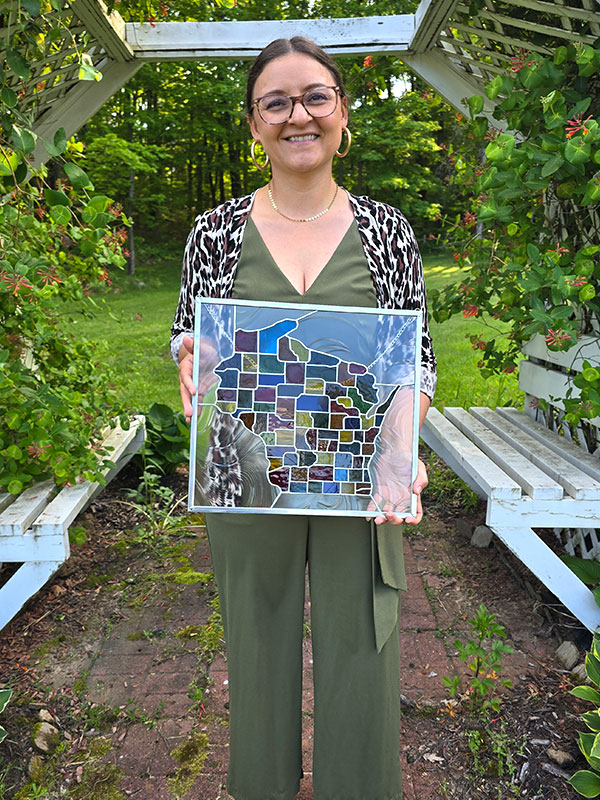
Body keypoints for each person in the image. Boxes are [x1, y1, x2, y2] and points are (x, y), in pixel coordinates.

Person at [171, 36, 436, 800]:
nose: (299, 116)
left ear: (343, 114)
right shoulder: (214, 233)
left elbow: (414, 360)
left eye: (316, 97)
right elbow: (191, 331)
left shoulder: (388, 232)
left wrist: (398, 447)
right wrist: (188, 357)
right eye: (276, 102)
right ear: (254, 125)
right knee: (256, 653)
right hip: (248, 478)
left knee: (363, 652)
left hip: (359, 481)